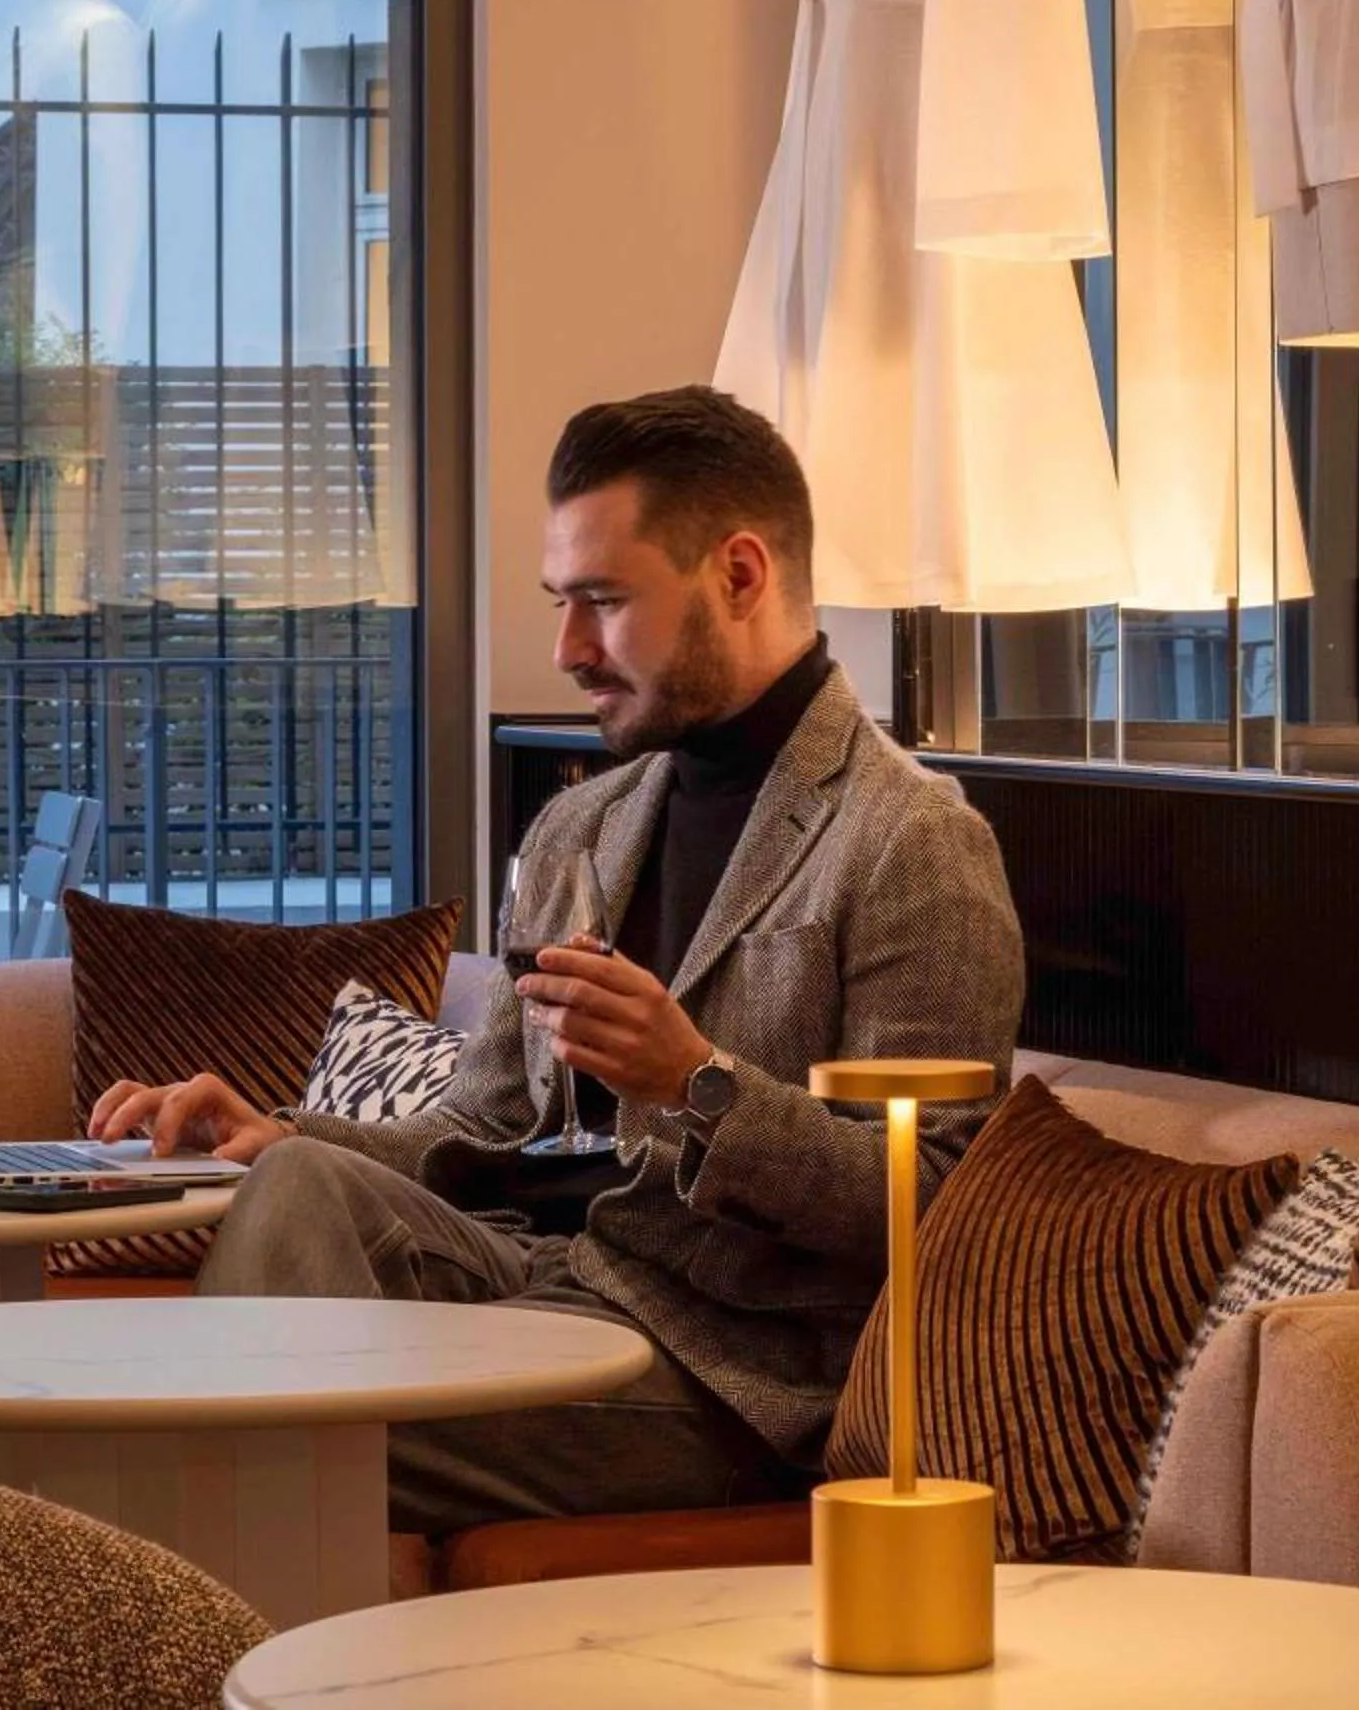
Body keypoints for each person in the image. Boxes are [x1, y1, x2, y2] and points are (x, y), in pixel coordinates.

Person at [85, 386, 1026, 1530]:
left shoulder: (911, 842)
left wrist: (695, 1085)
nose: (567, 650)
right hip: (536, 1277)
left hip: (717, 1371)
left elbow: (935, 1205)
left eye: (604, 603)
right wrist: (282, 1127)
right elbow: (478, 1128)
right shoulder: (583, 828)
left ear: (739, 574)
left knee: (257, 1433)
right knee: (298, 1186)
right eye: (562, 603)